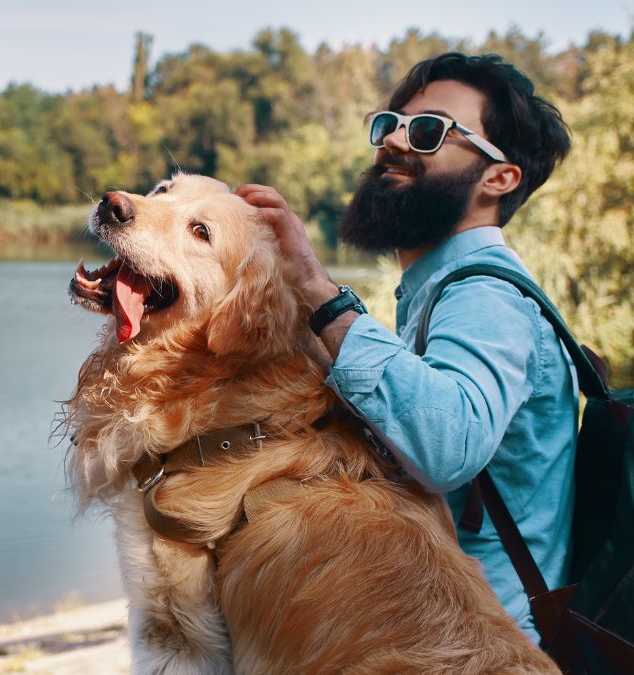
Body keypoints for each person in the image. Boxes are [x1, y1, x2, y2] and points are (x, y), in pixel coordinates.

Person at [236, 52, 574, 644]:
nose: (393, 140)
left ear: (499, 178)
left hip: (482, 648)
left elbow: (446, 448)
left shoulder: (486, 296)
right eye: (390, 124)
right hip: (446, 636)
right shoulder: (439, 291)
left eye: (428, 131)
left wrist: (319, 290)